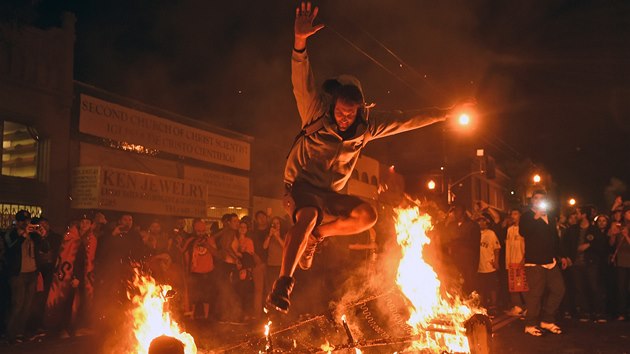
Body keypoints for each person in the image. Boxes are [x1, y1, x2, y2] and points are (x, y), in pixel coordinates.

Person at [266, 1, 475, 313]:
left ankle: (317, 236)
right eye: (339, 112)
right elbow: (301, 77)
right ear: (333, 103)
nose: (344, 119)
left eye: (350, 114)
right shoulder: (315, 109)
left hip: (331, 194)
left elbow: (407, 119)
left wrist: (445, 114)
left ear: (360, 110)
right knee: (307, 216)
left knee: (368, 216)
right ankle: (283, 284)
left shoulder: (368, 126)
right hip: (300, 186)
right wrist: (300, 41)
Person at [519, 190, 566, 336]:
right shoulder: (527, 216)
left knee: (559, 289)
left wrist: (561, 256)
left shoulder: (551, 217)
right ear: (532, 200)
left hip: (550, 261)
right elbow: (523, 232)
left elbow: (554, 238)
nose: (539, 200)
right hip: (534, 262)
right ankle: (530, 324)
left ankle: (547, 320)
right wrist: (536, 217)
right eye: (536, 198)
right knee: (535, 295)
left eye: (542, 198)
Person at [3, 210, 41, 343]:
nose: (26, 223)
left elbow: (43, 247)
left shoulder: (32, 234)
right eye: (23, 221)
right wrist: (22, 236)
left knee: (27, 305)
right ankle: (9, 334)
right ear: (18, 222)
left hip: (32, 272)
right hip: (18, 274)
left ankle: (20, 332)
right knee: (17, 304)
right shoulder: (10, 234)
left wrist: (39, 234)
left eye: (28, 221)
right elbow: (11, 249)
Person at [504, 209, 527, 317]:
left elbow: (528, 245)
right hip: (512, 262)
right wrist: (507, 262)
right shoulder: (509, 230)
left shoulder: (525, 229)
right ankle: (517, 307)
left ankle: (528, 307)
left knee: (523, 287)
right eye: (512, 214)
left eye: (515, 214)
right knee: (513, 286)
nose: (513, 216)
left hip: (522, 261)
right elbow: (508, 247)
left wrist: (524, 259)